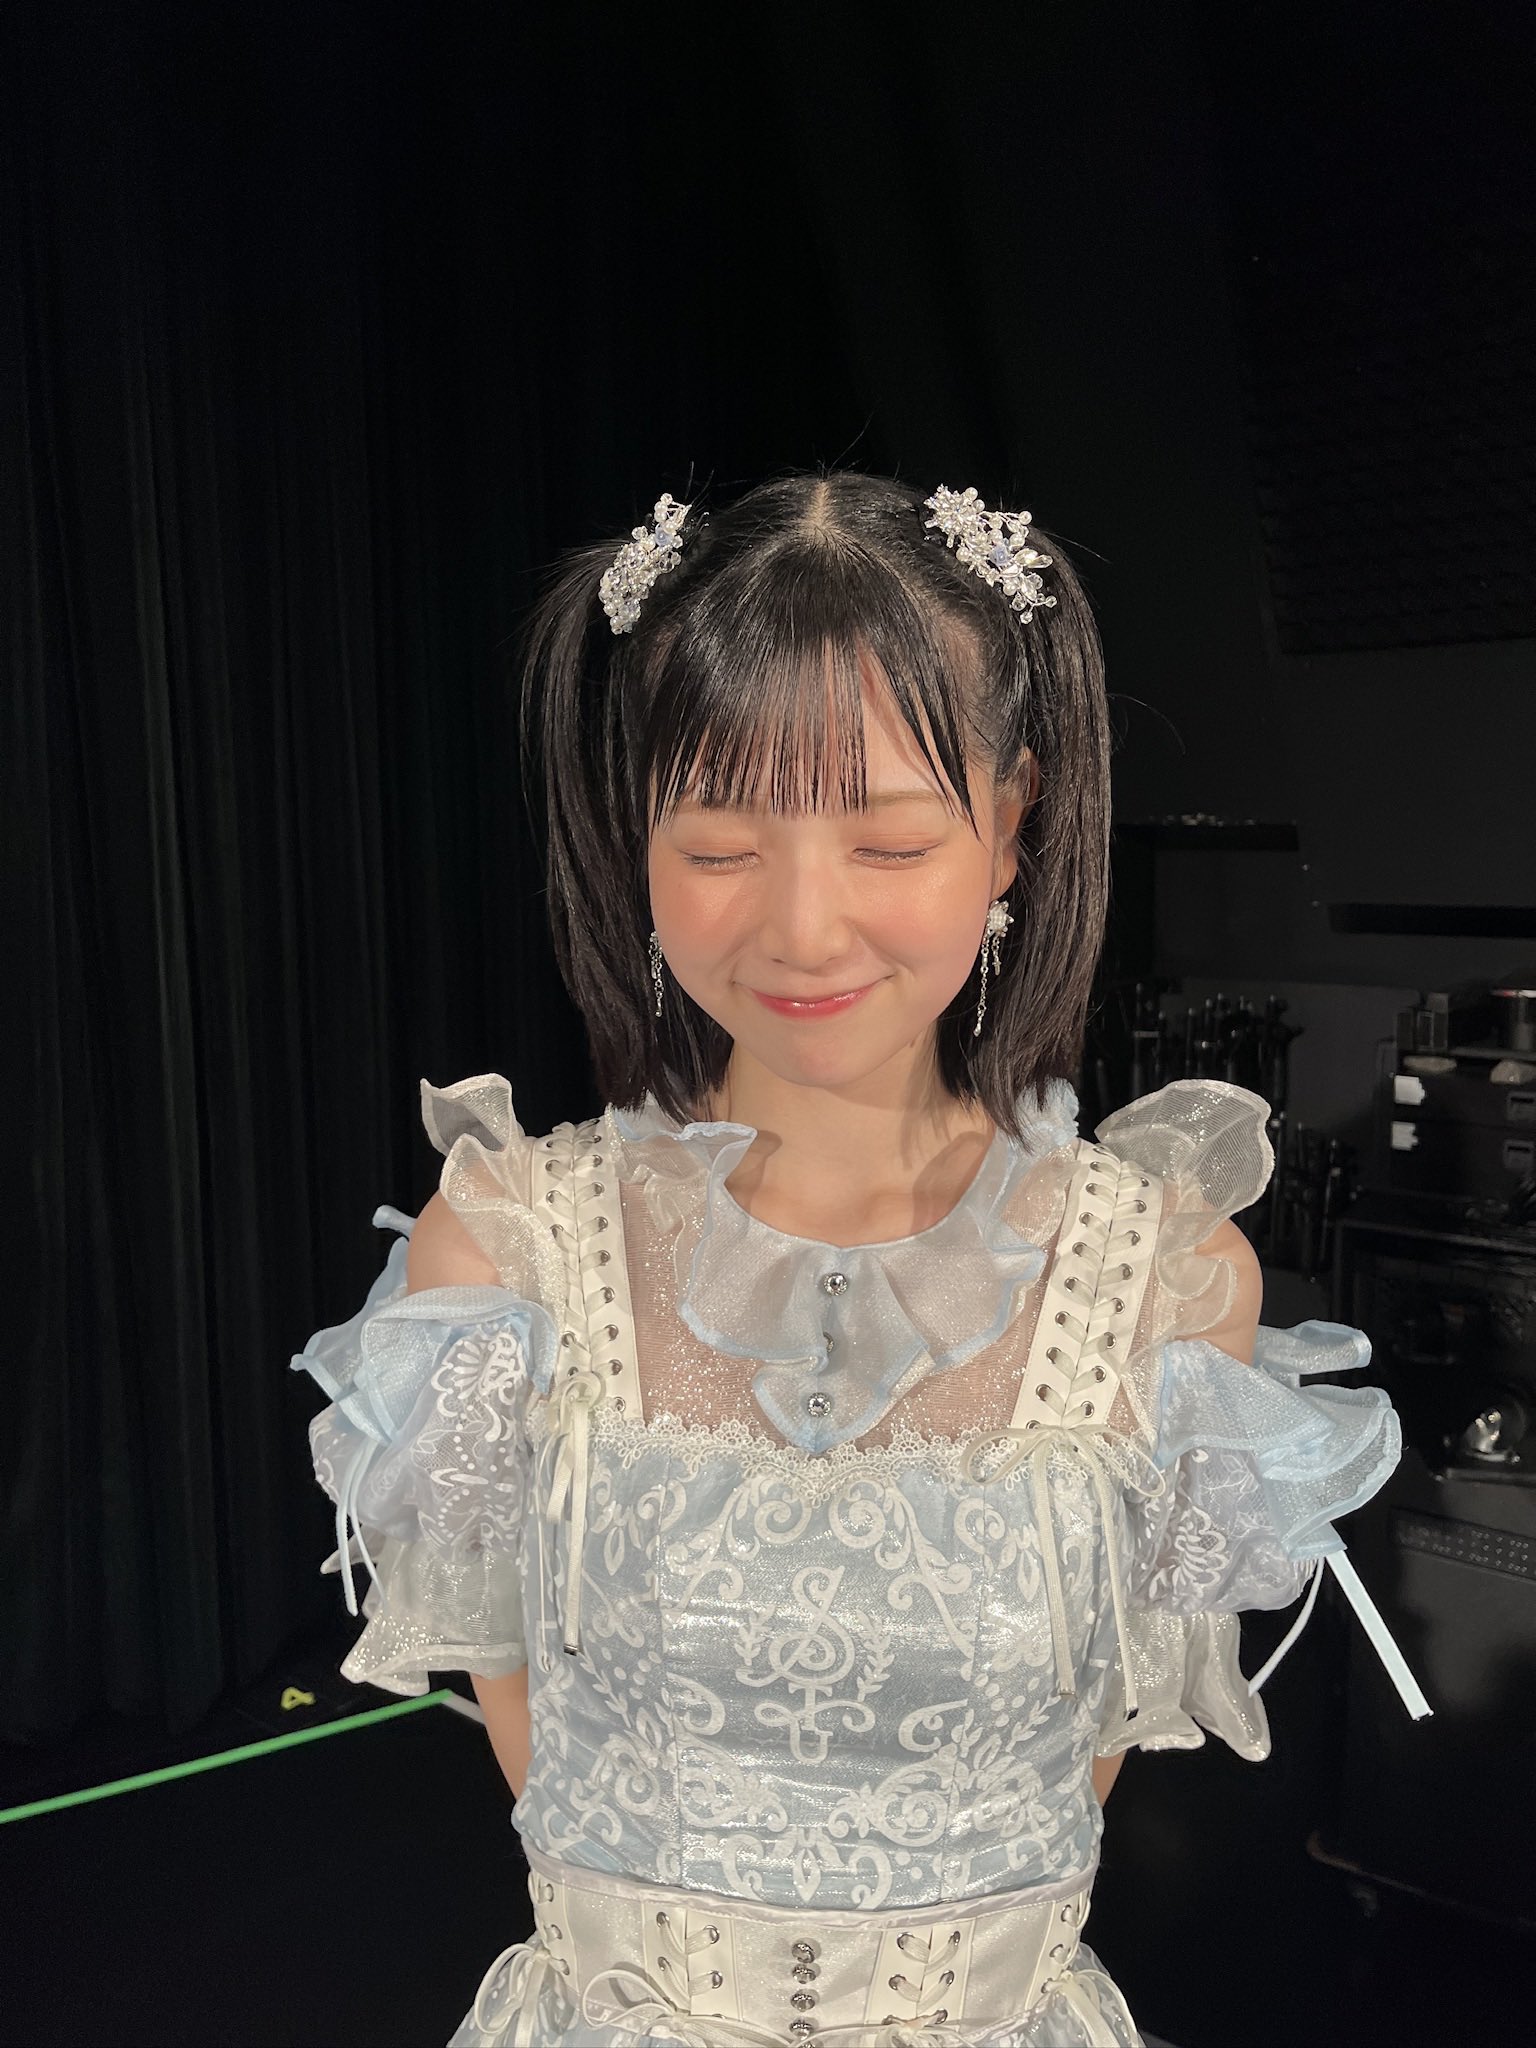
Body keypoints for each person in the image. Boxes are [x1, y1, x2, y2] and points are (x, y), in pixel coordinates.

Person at [292, 472, 1428, 2047]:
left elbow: (1086, 1762)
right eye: (718, 843)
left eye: (888, 841)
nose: (805, 929)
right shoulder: (503, 1254)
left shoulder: (1166, 1281)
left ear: (1013, 823)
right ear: (635, 831)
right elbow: (535, 1750)